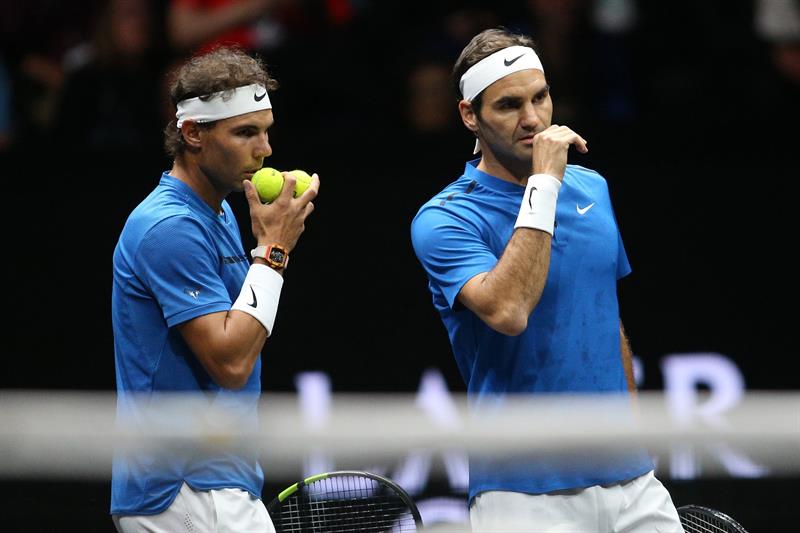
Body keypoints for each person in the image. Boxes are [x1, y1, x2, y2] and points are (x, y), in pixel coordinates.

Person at [410, 28, 683, 531]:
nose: (533, 119)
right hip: (523, 492)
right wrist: (543, 185)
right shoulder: (445, 219)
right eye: (509, 105)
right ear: (469, 115)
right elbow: (508, 311)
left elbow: (606, 318)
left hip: (632, 481)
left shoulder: (594, 189)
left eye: (541, 97)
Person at [110, 46, 319, 532]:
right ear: (193, 134)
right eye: (245, 132)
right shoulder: (168, 227)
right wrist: (273, 252)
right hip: (181, 487)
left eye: (265, 130)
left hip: (220, 481)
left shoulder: (219, 211)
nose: (264, 148)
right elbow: (230, 361)